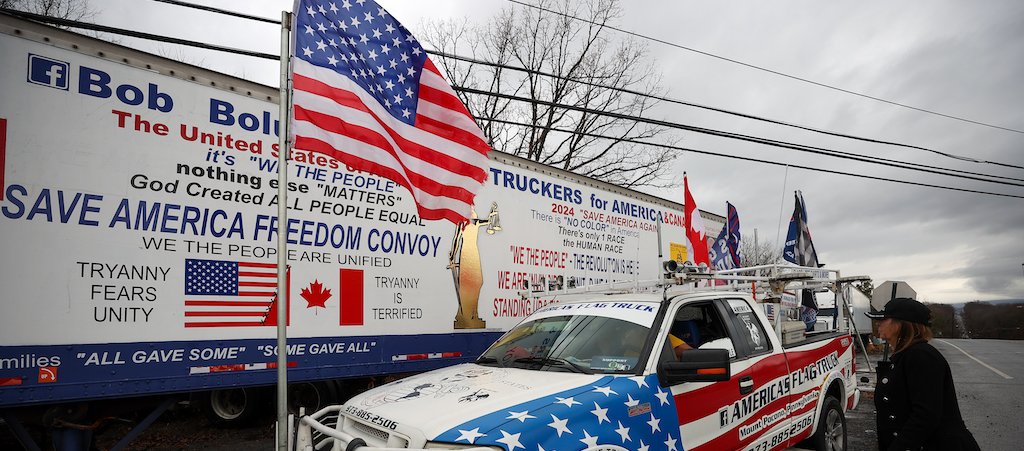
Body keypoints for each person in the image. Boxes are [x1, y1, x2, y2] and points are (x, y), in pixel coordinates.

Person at [865, 298, 980, 451]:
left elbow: (925, 415)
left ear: (902, 324)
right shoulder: (905, 356)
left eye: (884, 319)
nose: (878, 324)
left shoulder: (920, 356)